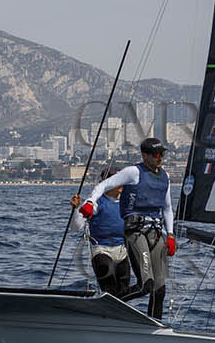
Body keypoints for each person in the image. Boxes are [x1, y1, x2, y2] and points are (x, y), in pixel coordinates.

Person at [82, 137, 176, 319]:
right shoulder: (133, 172)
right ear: (145, 155)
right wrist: (91, 201)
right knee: (145, 285)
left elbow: (167, 208)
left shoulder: (165, 176)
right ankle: (107, 306)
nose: (160, 158)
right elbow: (104, 185)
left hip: (156, 234)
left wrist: (170, 235)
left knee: (160, 289)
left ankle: (154, 324)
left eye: (162, 154)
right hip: (135, 233)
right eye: (156, 155)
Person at [70, 174, 133, 300]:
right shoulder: (95, 203)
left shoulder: (128, 202)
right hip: (101, 250)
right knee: (109, 284)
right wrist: (76, 209)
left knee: (124, 290)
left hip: (122, 251)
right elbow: (76, 228)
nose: (121, 185)